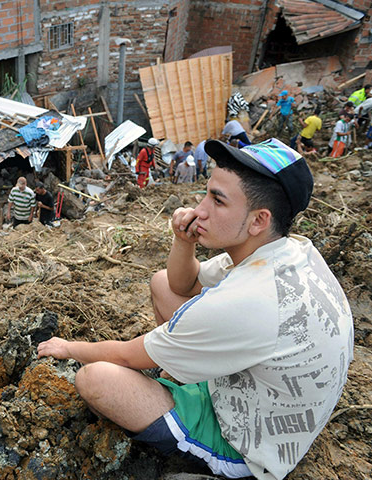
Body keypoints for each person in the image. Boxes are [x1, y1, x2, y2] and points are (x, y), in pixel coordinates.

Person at [38, 138, 353, 480]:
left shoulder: (245, 301)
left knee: (95, 378)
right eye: (206, 193)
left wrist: (68, 348)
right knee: (162, 282)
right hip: (275, 402)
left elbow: (130, 357)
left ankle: (214, 466)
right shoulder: (284, 251)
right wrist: (183, 241)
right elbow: (180, 285)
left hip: (251, 446)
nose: (199, 210)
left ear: (258, 220)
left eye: (217, 201)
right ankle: (185, 375)